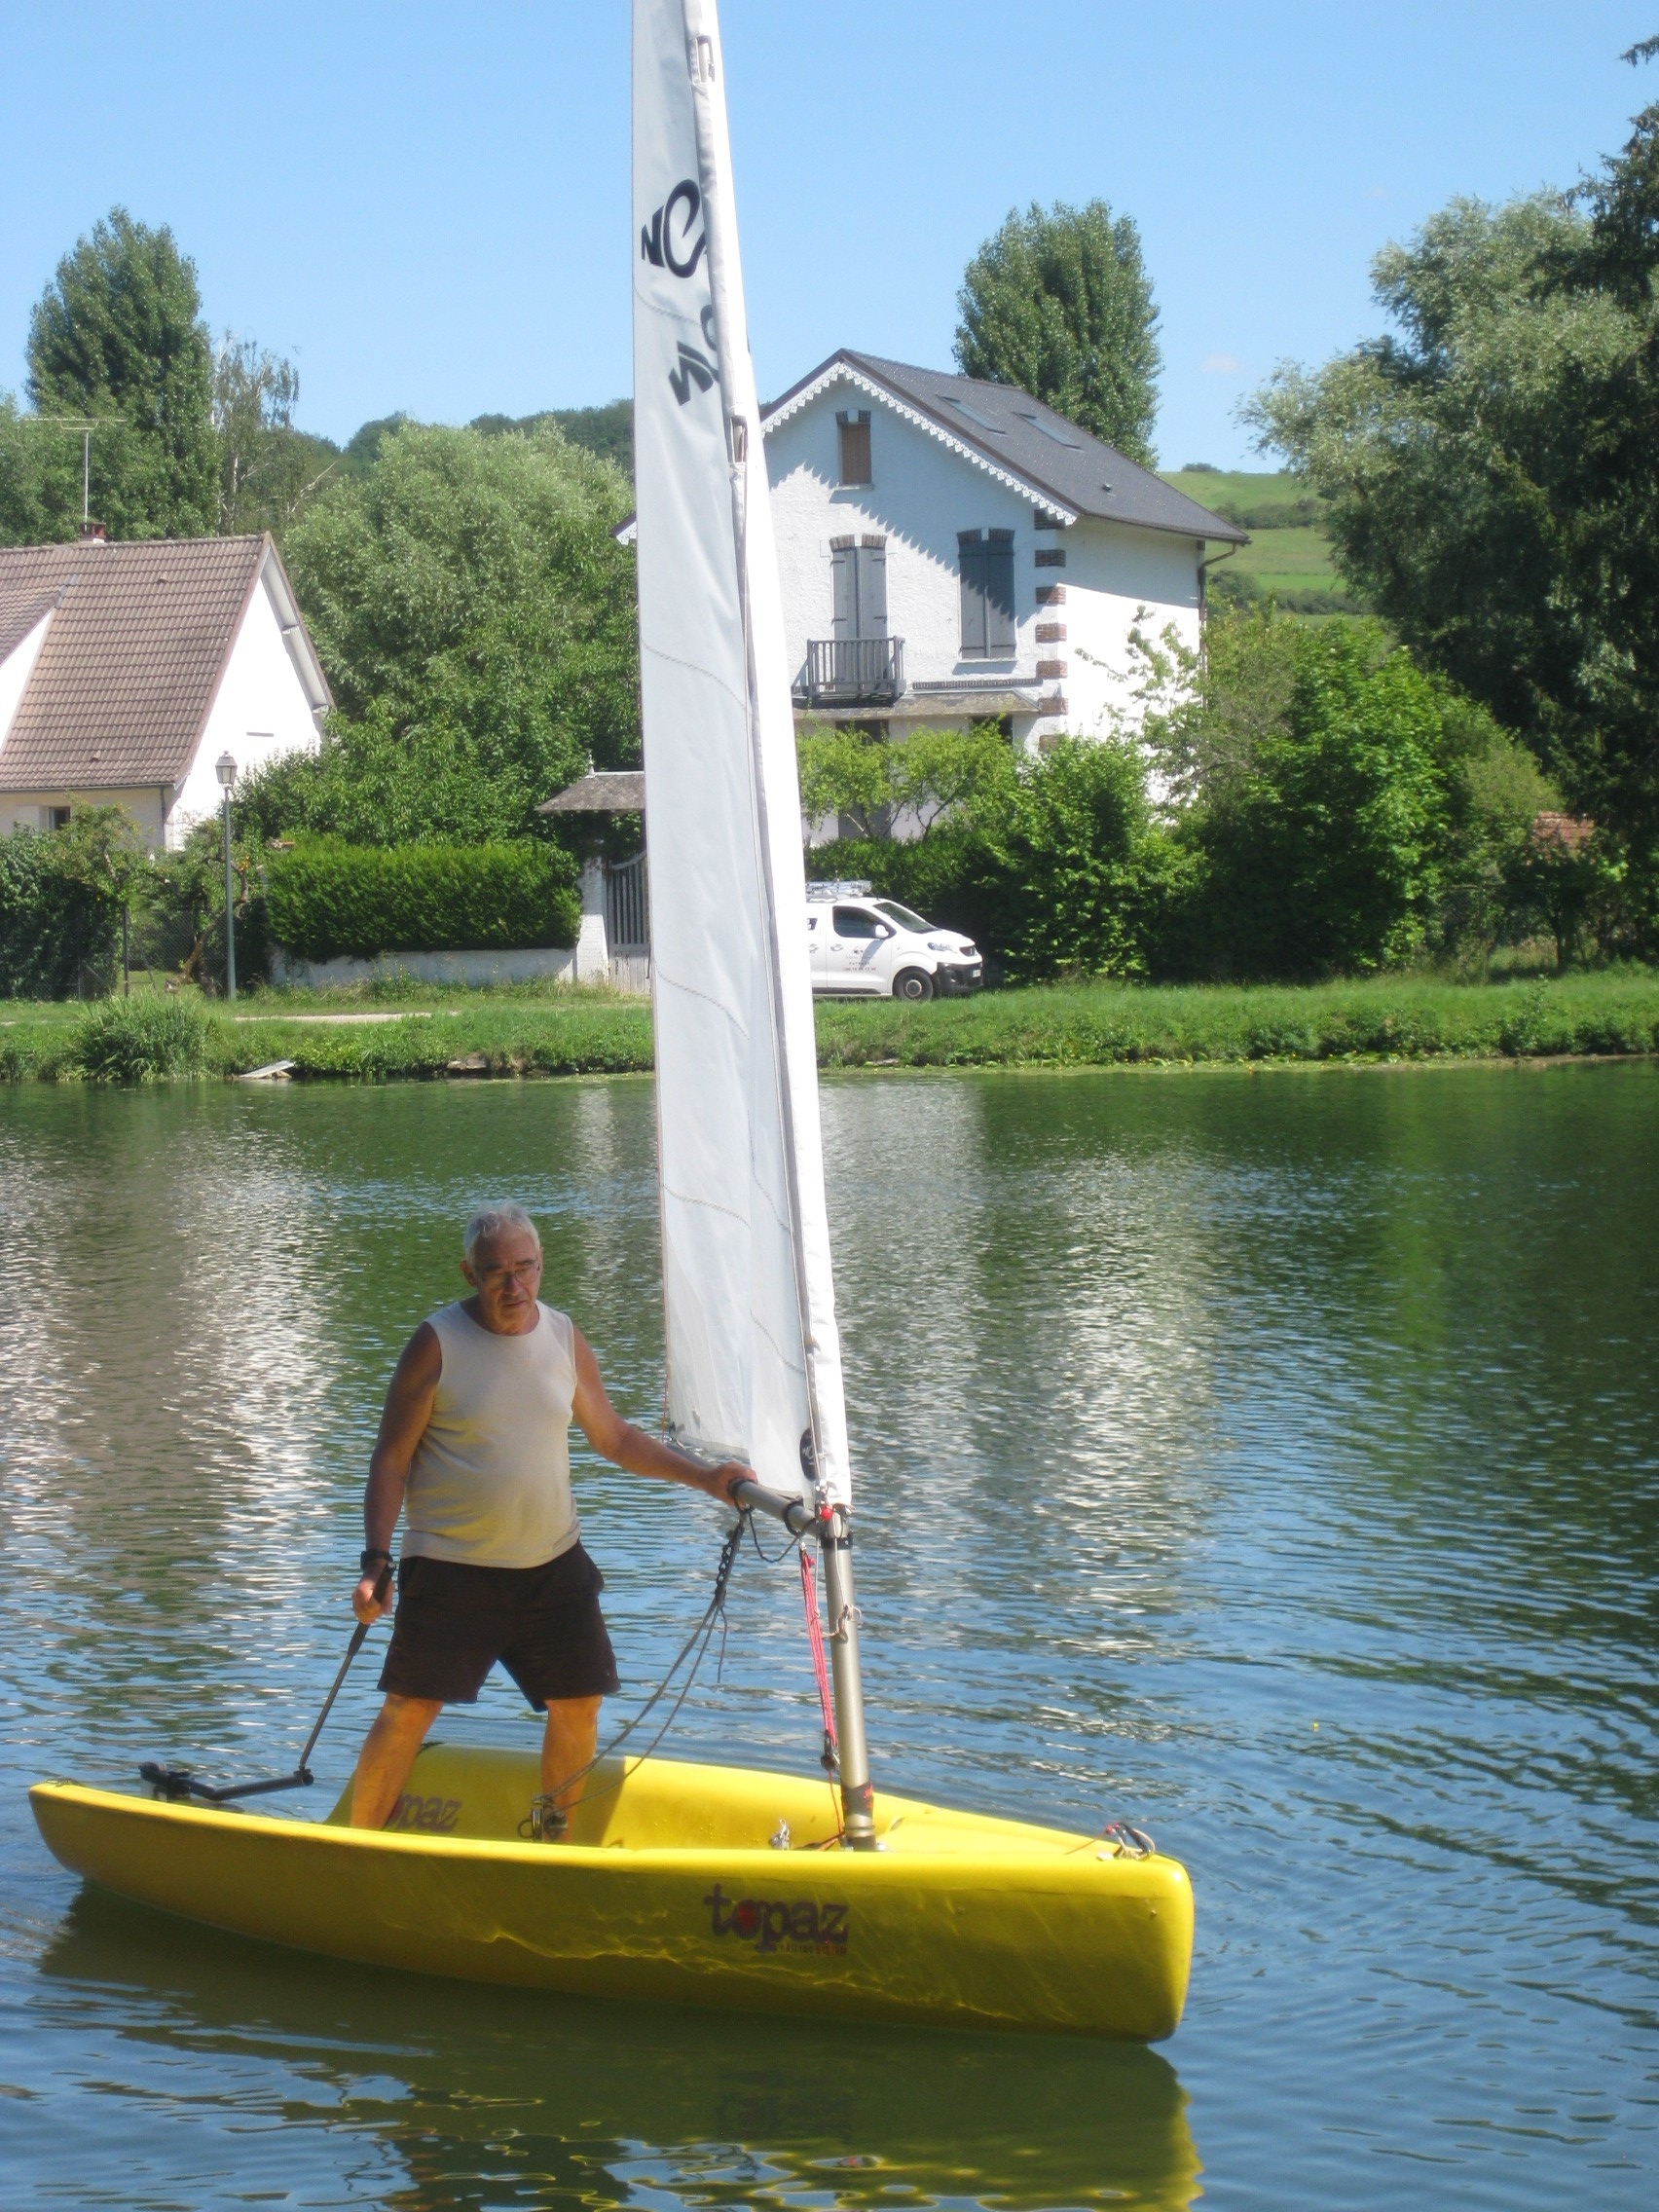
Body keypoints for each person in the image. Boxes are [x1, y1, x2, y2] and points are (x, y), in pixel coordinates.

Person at [347, 1201, 751, 1832]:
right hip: (453, 1567)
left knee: (579, 1702)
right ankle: (357, 1845)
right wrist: (376, 1562)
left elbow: (613, 1437)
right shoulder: (436, 1344)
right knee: (409, 1708)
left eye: (525, 1270)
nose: (513, 1287)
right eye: (496, 1273)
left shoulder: (562, 1337)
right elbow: (391, 1459)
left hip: (552, 1565)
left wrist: (705, 1479)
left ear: (541, 1266)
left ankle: (551, 1836)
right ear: (468, 1273)